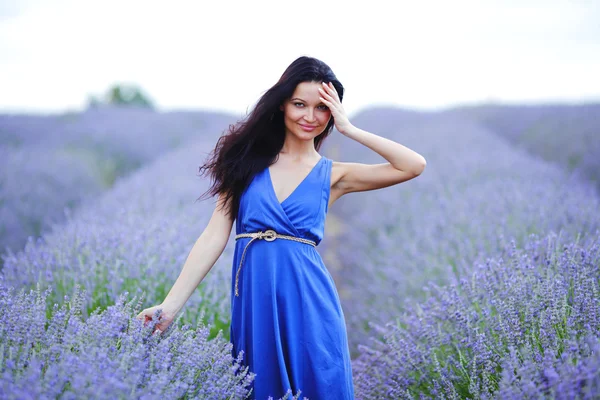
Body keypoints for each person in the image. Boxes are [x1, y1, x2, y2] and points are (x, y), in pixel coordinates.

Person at [137, 55, 426, 399]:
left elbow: (413, 165)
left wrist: (349, 129)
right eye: (299, 104)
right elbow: (214, 235)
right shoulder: (245, 165)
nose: (310, 116)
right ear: (281, 106)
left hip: (310, 299)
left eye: (321, 108)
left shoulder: (334, 175)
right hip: (256, 301)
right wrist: (170, 306)